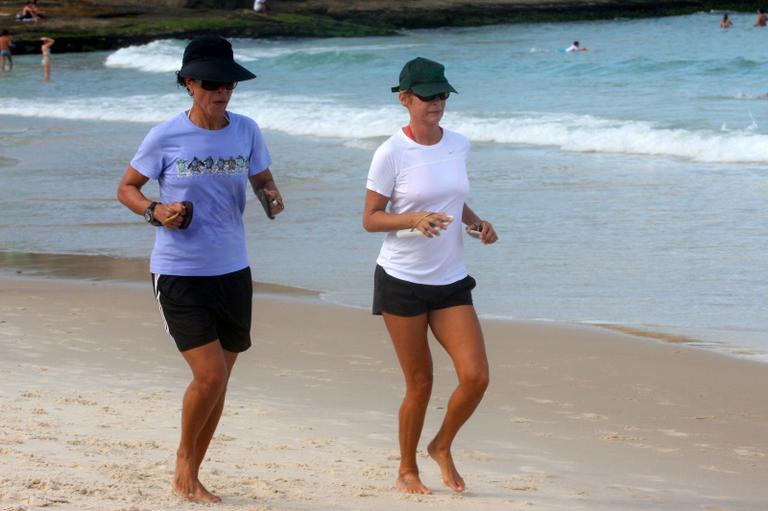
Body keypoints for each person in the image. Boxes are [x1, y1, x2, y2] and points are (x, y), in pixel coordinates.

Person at [116, 35, 284, 502]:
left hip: (233, 269)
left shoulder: (246, 129)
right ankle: (183, 468)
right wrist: (155, 211)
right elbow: (127, 187)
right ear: (189, 83)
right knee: (209, 375)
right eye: (212, 83)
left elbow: (263, 177)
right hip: (179, 271)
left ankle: (194, 471)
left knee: (221, 380)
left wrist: (271, 197)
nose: (222, 91)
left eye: (229, 83)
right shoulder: (166, 134)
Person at [363, 57, 498, 495]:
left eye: (441, 94)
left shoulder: (458, 143)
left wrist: (475, 222)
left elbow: (454, 199)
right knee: (420, 383)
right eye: (427, 95)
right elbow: (370, 218)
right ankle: (407, 469)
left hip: (451, 279)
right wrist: (413, 219)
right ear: (405, 99)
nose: (436, 102)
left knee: (476, 376)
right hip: (402, 280)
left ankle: (441, 445)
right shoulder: (391, 152)